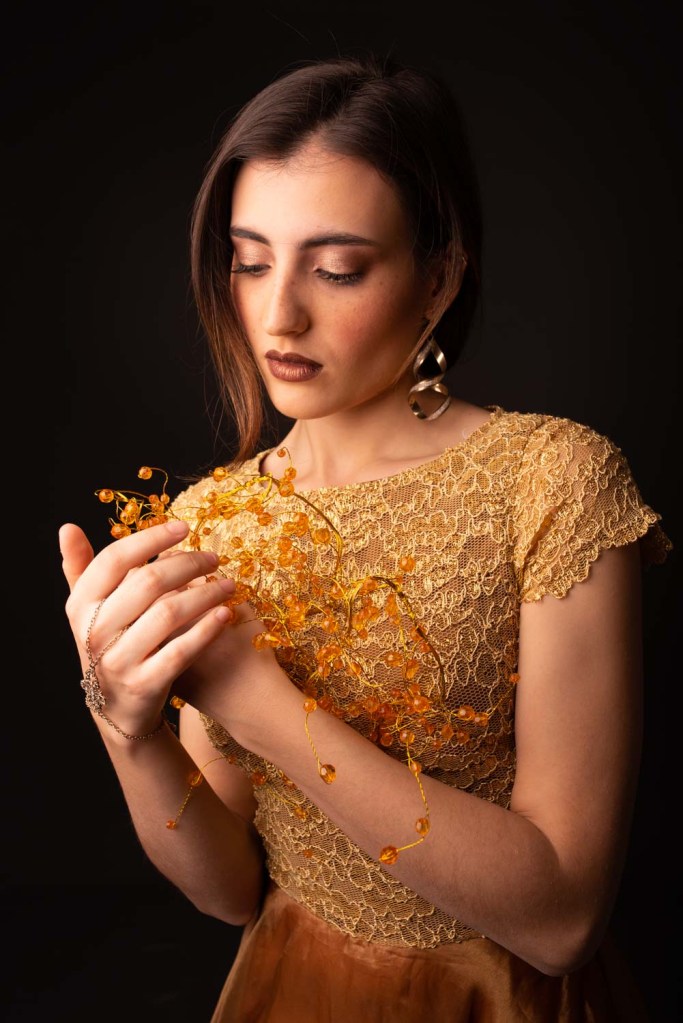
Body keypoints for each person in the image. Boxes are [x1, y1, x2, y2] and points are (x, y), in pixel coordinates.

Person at [59, 53, 671, 1021]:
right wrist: (124, 727)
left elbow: (560, 921)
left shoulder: (551, 479)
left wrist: (258, 702)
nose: (278, 314)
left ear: (438, 276)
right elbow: (227, 891)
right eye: (249, 261)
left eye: (336, 269)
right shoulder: (215, 517)